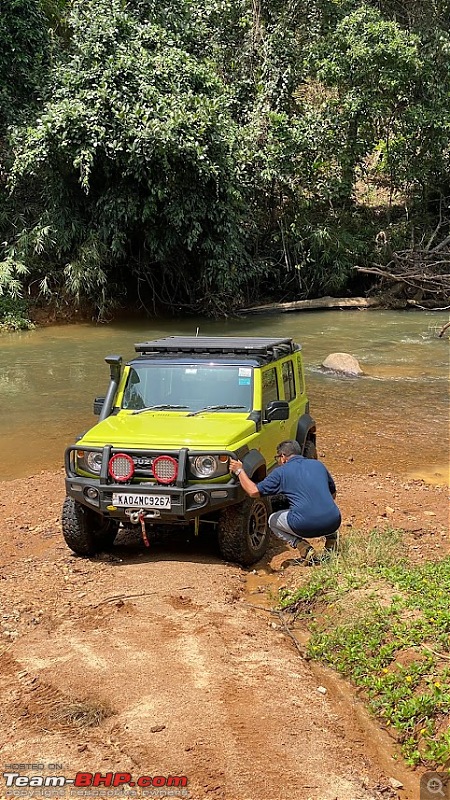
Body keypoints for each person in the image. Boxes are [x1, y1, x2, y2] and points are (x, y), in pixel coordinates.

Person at [229, 439, 341, 563]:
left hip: (305, 525)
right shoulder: (318, 465)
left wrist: (239, 470)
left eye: (278, 458)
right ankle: (332, 541)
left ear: (283, 457)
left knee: (272, 520)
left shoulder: (281, 472)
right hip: (334, 521)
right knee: (324, 506)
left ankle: (305, 549)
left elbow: (253, 491)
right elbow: (333, 493)